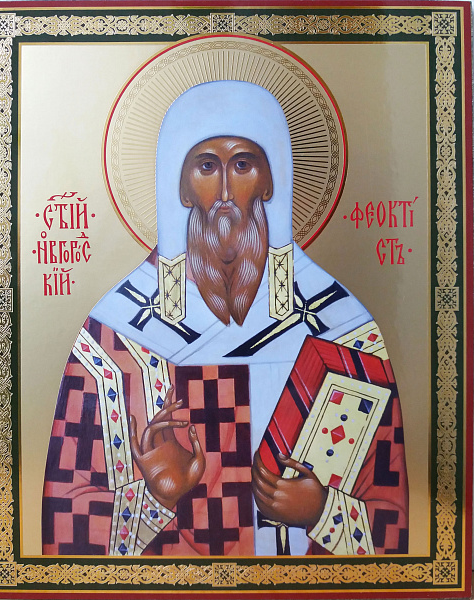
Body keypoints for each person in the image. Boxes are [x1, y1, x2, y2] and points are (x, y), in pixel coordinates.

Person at [42, 81, 408, 557]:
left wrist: (324, 513)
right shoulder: (115, 335)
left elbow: (400, 527)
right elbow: (62, 532)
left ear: (271, 181)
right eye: (206, 166)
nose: (225, 193)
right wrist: (153, 500)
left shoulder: (343, 330)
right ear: (180, 186)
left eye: (243, 164)